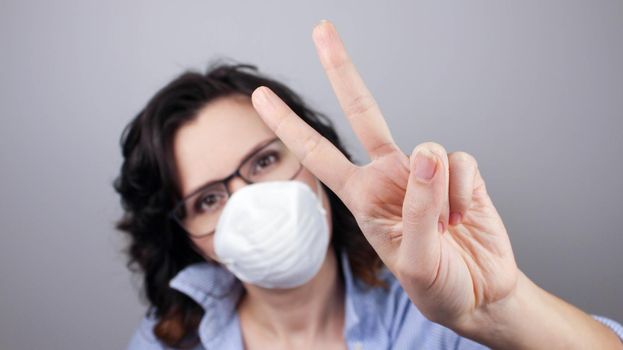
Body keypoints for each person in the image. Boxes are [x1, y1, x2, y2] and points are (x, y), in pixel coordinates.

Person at [115, 21, 623, 349]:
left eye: (265, 160)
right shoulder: (167, 342)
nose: (252, 202)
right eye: (208, 198)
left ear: (318, 159)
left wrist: (500, 308)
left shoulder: (430, 316)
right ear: (183, 234)